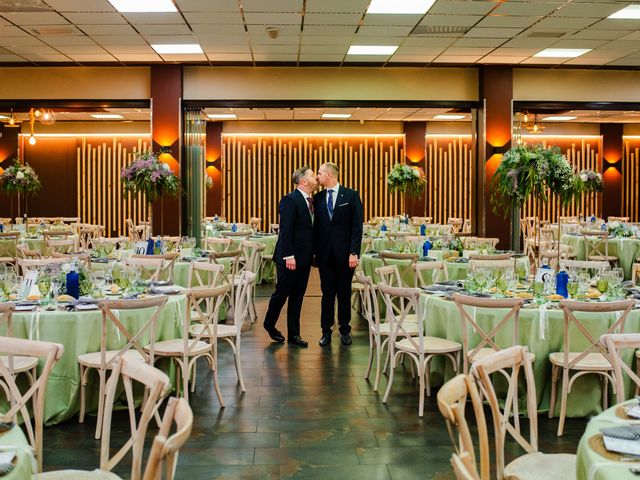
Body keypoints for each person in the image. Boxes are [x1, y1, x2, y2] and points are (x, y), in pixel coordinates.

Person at [263, 166, 317, 347]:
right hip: (289, 258)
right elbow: (285, 231)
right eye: (312, 175)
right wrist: (288, 256)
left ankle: (294, 335)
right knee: (282, 293)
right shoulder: (290, 200)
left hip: (305, 258)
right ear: (303, 181)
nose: (315, 177)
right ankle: (269, 323)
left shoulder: (312, 201)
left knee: (298, 296)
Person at [313, 162, 363, 346]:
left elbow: (357, 227)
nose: (317, 177)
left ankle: (345, 330)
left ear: (330, 175)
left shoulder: (351, 196)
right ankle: (326, 331)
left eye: (319, 173)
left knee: (344, 293)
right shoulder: (317, 198)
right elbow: (315, 228)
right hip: (325, 255)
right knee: (327, 294)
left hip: (345, 255)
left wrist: (353, 252)